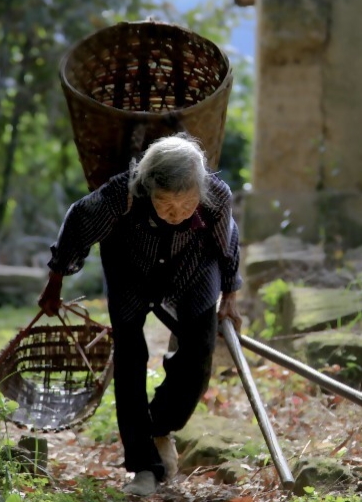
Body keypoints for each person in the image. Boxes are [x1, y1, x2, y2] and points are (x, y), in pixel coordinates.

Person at [37, 133, 243, 497]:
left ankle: (159, 426)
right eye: (167, 205)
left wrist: (230, 296)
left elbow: (227, 243)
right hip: (130, 270)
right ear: (149, 190)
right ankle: (143, 467)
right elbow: (78, 224)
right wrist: (55, 281)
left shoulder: (216, 195)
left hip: (194, 267)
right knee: (130, 360)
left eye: (187, 205)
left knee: (199, 353)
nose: (177, 214)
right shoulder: (122, 194)